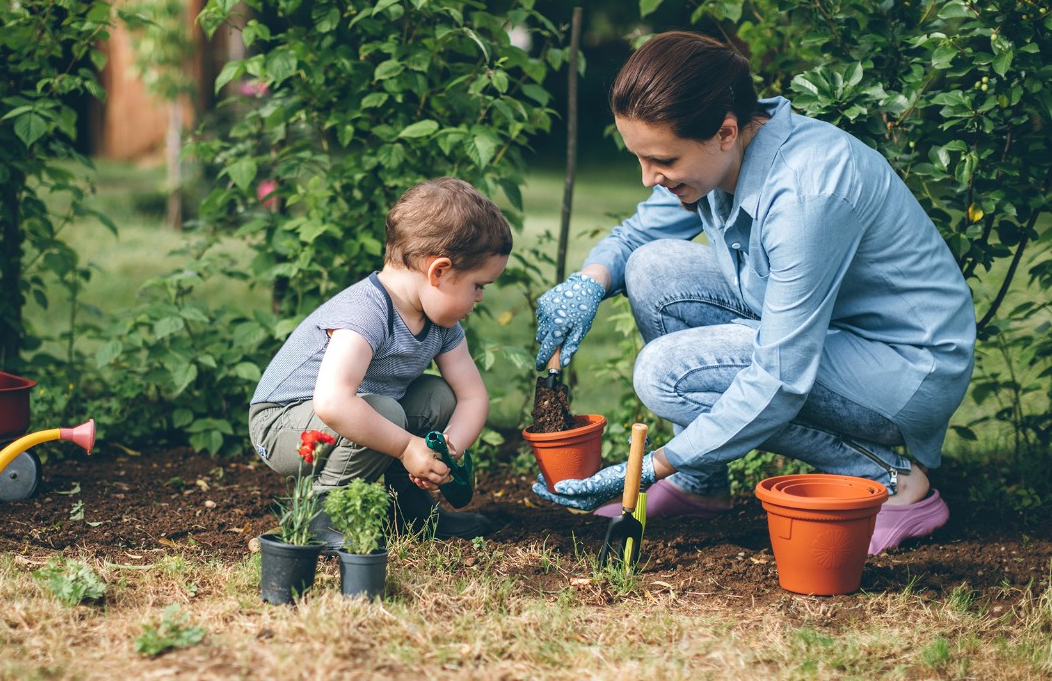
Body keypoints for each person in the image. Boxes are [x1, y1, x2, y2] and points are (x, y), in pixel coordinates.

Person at [530, 31, 975, 555]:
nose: (649, 177)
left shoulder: (807, 191)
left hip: (904, 368)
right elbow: (636, 239)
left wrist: (657, 463)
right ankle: (703, 485)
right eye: (640, 159)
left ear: (724, 131)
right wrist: (589, 282)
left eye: (663, 161)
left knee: (665, 373)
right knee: (652, 268)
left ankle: (893, 481)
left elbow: (781, 377)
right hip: (833, 333)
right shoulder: (723, 156)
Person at [250, 177, 511, 553]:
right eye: (478, 285)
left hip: (355, 411)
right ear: (438, 271)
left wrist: (443, 453)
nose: (481, 297)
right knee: (385, 412)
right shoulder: (367, 311)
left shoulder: (442, 323)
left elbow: (472, 397)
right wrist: (407, 448)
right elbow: (333, 403)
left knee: (438, 395)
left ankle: (410, 510)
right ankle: (322, 517)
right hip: (281, 424)